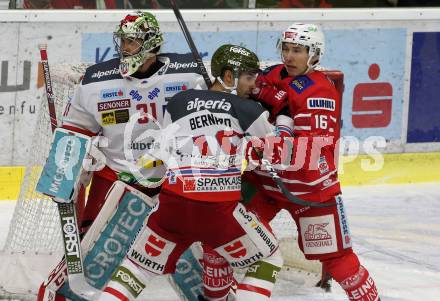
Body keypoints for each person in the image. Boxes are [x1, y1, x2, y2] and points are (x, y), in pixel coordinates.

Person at [37, 11, 205, 301]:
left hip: (173, 181)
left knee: (191, 264)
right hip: (116, 180)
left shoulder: (188, 75)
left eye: (132, 41)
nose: (124, 48)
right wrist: (64, 175)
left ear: (151, 44)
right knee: (95, 257)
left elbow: (210, 118)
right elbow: (74, 132)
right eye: (123, 41)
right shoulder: (94, 82)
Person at [96, 44, 284, 301]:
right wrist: (282, 117)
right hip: (219, 213)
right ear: (228, 77)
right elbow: (281, 153)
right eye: (249, 77)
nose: (254, 85)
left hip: (172, 207)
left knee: (136, 270)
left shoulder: (178, 102)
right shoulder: (248, 109)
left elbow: (156, 159)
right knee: (270, 257)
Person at [244, 23, 382, 301]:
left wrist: (266, 145)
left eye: (298, 50)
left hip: (309, 189)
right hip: (268, 183)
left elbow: (310, 149)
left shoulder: (318, 92)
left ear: (314, 54)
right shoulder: (270, 74)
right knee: (225, 233)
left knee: (339, 261)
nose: (289, 56)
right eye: (286, 48)